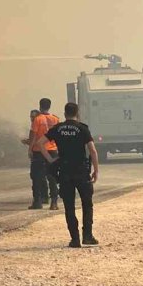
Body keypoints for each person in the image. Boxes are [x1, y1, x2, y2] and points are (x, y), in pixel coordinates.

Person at [35, 101, 99, 248]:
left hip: (64, 171)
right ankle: (87, 236)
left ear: (65, 114)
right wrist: (96, 170)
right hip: (81, 171)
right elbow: (93, 150)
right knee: (87, 204)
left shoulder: (58, 128)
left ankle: (75, 239)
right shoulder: (82, 128)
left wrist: (51, 160)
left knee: (69, 206)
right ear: (77, 113)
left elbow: (39, 143)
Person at [30, 98, 60, 210]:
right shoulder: (56, 119)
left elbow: (33, 136)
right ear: (50, 106)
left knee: (36, 177)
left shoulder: (37, 119)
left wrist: (30, 149)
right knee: (52, 177)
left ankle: (37, 202)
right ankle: (54, 203)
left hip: (39, 151)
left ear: (40, 106)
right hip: (52, 150)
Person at [21, 109, 44, 208]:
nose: (31, 119)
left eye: (33, 117)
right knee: (42, 177)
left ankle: (38, 201)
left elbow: (33, 139)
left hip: (39, 153)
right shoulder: (44, 124)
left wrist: (29, 147)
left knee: (36, 177)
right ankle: (46, 198)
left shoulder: (36, 125)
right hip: (46, 152)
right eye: (31, 117)